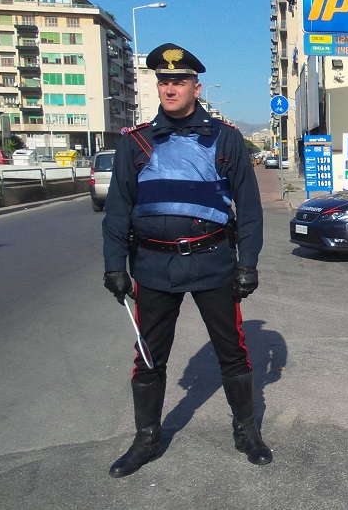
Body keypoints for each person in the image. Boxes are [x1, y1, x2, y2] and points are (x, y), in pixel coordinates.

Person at [102, 43, 271, 478]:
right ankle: (146, 439)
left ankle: (247, 431)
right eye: (164, 81)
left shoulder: (226, 138)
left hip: (213, 262)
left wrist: (247, 263)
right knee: (148, 355)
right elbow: (118, 209)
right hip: (153, 267)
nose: (170, 88)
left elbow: (249, 209)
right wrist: (114, 265)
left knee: (231, 351)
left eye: (178, 81)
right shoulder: (135, 142)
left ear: (196, 88)